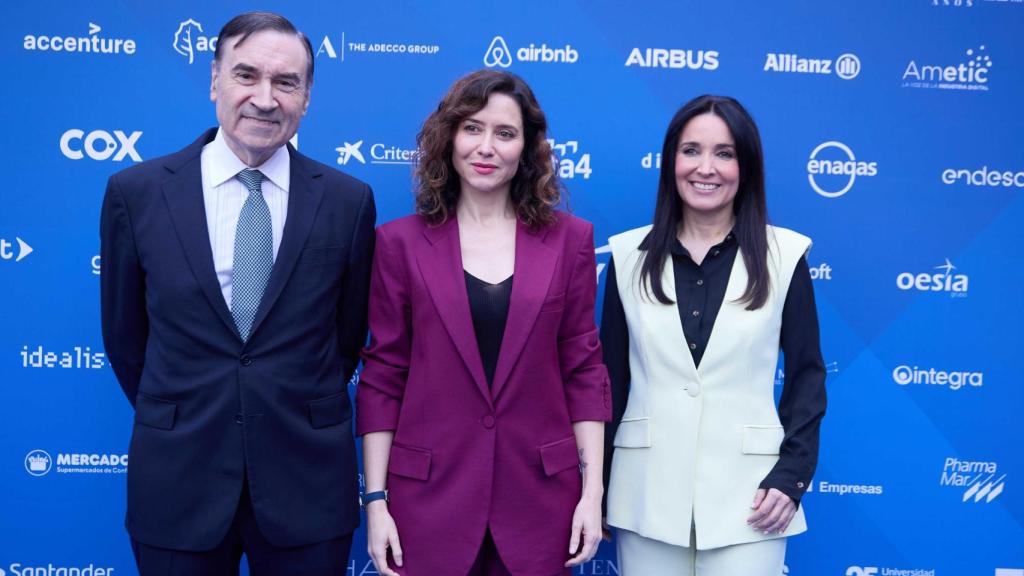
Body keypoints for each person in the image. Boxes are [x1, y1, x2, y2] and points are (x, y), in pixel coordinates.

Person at [100, 11, 375, 576]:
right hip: (178, 484)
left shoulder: (349, 202)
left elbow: (346, 339)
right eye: (246, 75)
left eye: (286, 82)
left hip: (307, 487)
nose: (264, 98)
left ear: (307, 96)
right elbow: (126, 341)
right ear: (214, 82)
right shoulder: (138, 193)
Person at [356, 69, 610, 576]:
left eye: (505, 133)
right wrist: (376, 501)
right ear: (448, 137)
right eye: (472, 128)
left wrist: (592, 494)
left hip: (541, 504)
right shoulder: (399, 244)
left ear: (527, 148)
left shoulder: (571, 240)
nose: (486, 147)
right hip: (427, 504)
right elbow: (384, 377)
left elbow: (583, 371)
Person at [601, 95, 826, 575]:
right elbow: (609, 384)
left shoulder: (785, 255)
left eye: (724, 153)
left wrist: (791, 478)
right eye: (691, 151)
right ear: (671, 161)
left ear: (746, 166)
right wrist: (593, 487)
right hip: (645, 496)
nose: (706, 168)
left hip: (754, 499)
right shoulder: (626, 257)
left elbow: (807, 376)